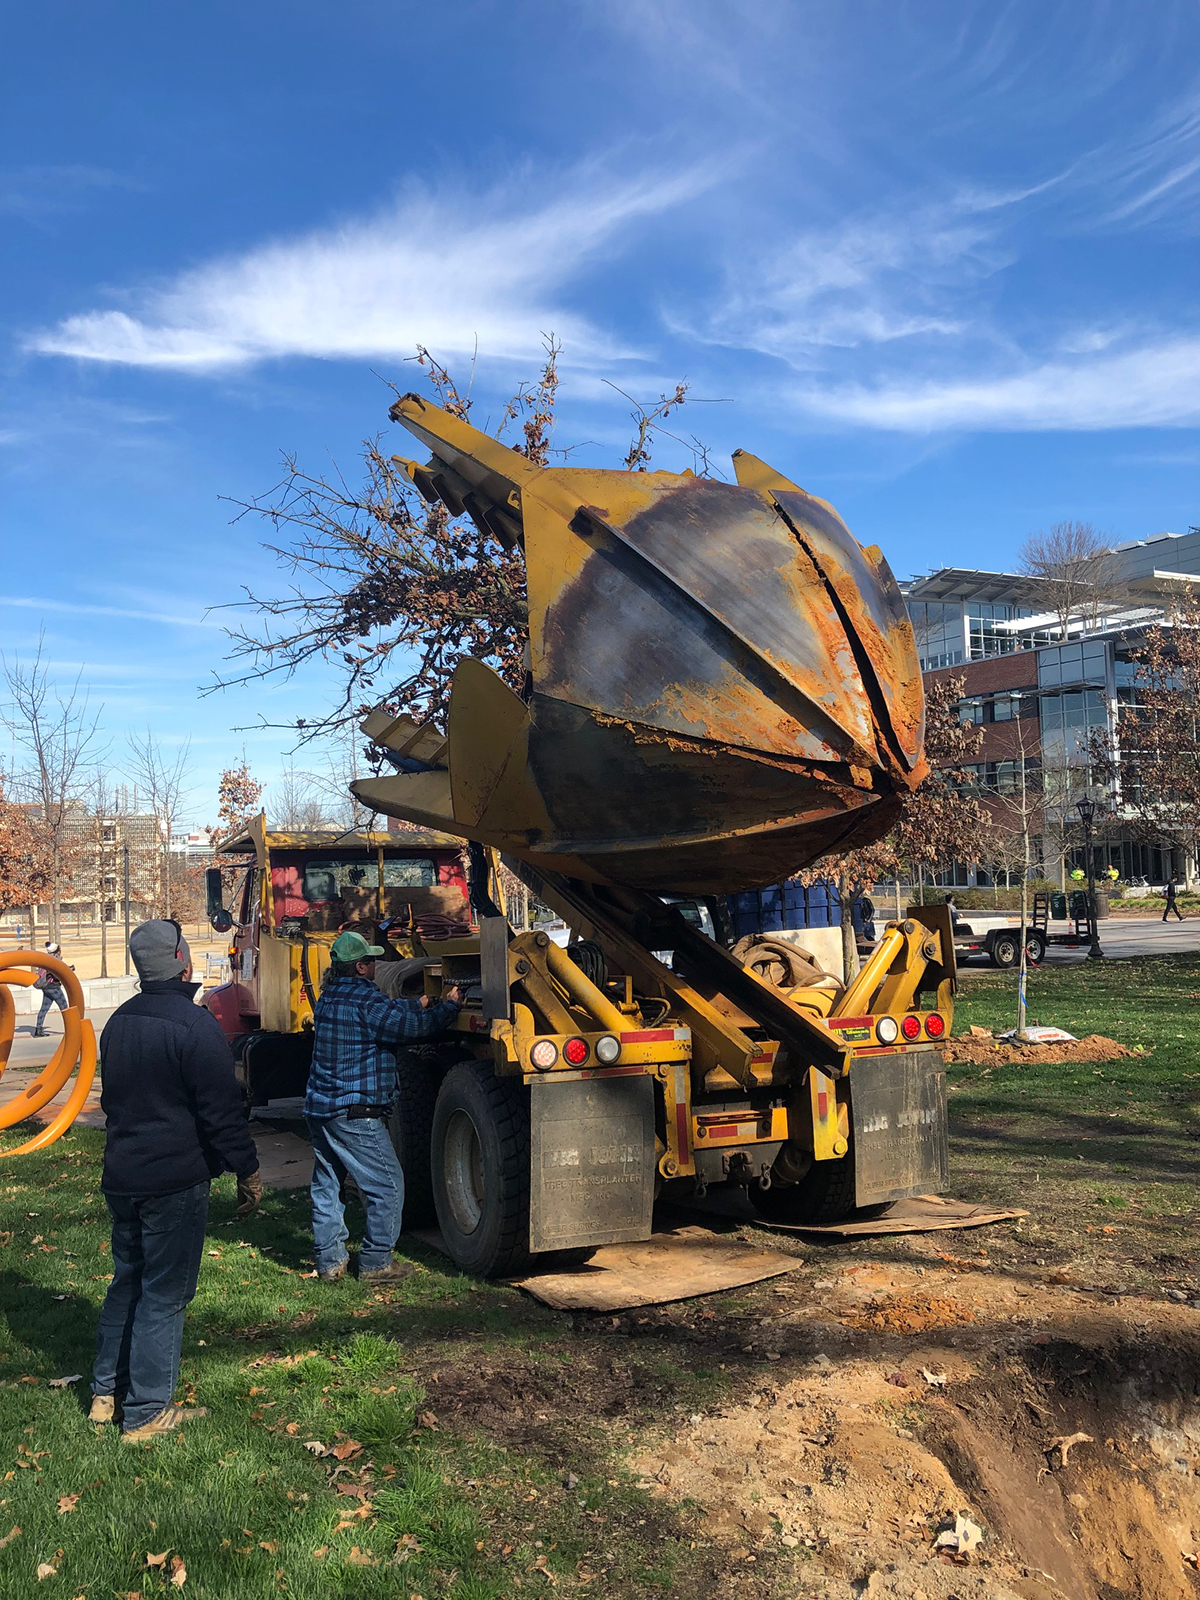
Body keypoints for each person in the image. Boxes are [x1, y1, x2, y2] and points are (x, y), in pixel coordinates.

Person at [91, 919, 262, 1442]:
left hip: (123, 1178)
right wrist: (248, 1169)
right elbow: (222, 1112)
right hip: (172, 1182)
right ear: (182, 961)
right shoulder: (195, 1025)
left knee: (129, 1282)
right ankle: (145, 1411)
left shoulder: (119, 1021)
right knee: (163, 1295)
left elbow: (112, 1101)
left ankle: (106, 1393)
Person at [306, 929, 462, 1284]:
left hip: (321, 1109)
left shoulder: (330, 997)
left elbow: (386, 1013)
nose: (377, 964)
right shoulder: (366, 1002)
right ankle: (376, 1262)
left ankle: (330, 1262)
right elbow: (412, 1028)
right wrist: (450, 1005)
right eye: (372, 960)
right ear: (361, 967)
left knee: (327, 1186)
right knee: (387, 1184)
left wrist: (416, 1001)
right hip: (355, 1112)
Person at [33, 941, 69, 1036]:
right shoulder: (55, 960)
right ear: (58, 951)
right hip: (54, 988)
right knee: (65, 1008)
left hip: (46, 987)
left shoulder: (46, 959)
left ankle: (38, 1030)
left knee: (44, 1009)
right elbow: (56, 974)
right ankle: (71, 1028)